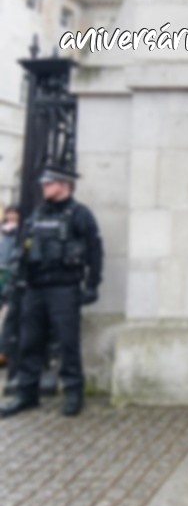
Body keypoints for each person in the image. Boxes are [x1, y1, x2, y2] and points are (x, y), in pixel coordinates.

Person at [0, 165, 103, 418]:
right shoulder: (36, 215)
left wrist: (92, 285)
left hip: (64, 288)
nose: (44, 186)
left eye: (50, 183)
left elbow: (94, 251)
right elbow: (22, 251)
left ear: (65, 184)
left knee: (67, 343)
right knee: (29, 342)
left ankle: (73, 392)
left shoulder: (80, 215)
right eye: (44, 183)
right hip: (34, 288)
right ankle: (26, 393)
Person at [0, 205, 21, 368]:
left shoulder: (20, 233)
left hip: (10, 275)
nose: (11, 216)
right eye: (9, 213)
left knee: (9, 316)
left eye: (14, 213)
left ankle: (4, 352)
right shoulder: (3, 232)